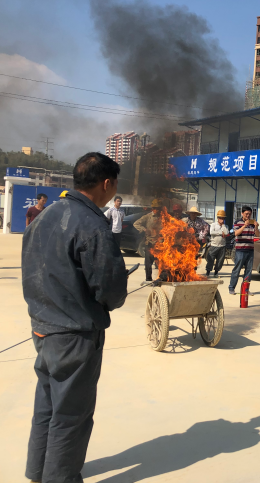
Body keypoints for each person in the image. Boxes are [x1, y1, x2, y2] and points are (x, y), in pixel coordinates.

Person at [22, 152, 128, 483]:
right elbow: (110, 289)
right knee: (71, 414)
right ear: (107, 183)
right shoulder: (92, 224)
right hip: (75, 334)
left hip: (43, 328)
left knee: (47, 405)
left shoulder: (46, 215)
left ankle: (38, 472)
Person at [229, 206, 258, 295]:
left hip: (250, 250)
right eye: (246, 214)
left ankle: (245, 289)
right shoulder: (237, 222)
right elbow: (236, 233)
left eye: (249, 214)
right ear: (242, 213)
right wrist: (244, 225)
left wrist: (256, 227)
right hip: (240, 250)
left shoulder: (252, 223)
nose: (248, 215)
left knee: (248, 271)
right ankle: (231, 288)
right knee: (237, 269)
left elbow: (258, 235)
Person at [134, 199, 163, 282]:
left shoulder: (163, 217)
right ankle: (148, 279)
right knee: (148, 263)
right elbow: (136, 223)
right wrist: (144, 229)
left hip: (159, 244)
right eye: (156, 208)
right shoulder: (147, 217)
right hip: (149, 243)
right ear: (153, 208)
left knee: (161, 263)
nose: (157, 210)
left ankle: (161, 278)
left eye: (159, 208)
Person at [206, 210, 229, 278]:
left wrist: (223, 226)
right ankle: (208, 273)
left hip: (222, 246)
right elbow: (211, 232)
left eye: (223, 218)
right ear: (218, 218)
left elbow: (226, 233)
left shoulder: (226, 226)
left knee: (220, 261)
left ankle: (216, 273)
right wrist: (220, 233)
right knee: (211, 259)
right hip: (214, 245)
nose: (222, 219)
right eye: (220, 218)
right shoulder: (213, 225)